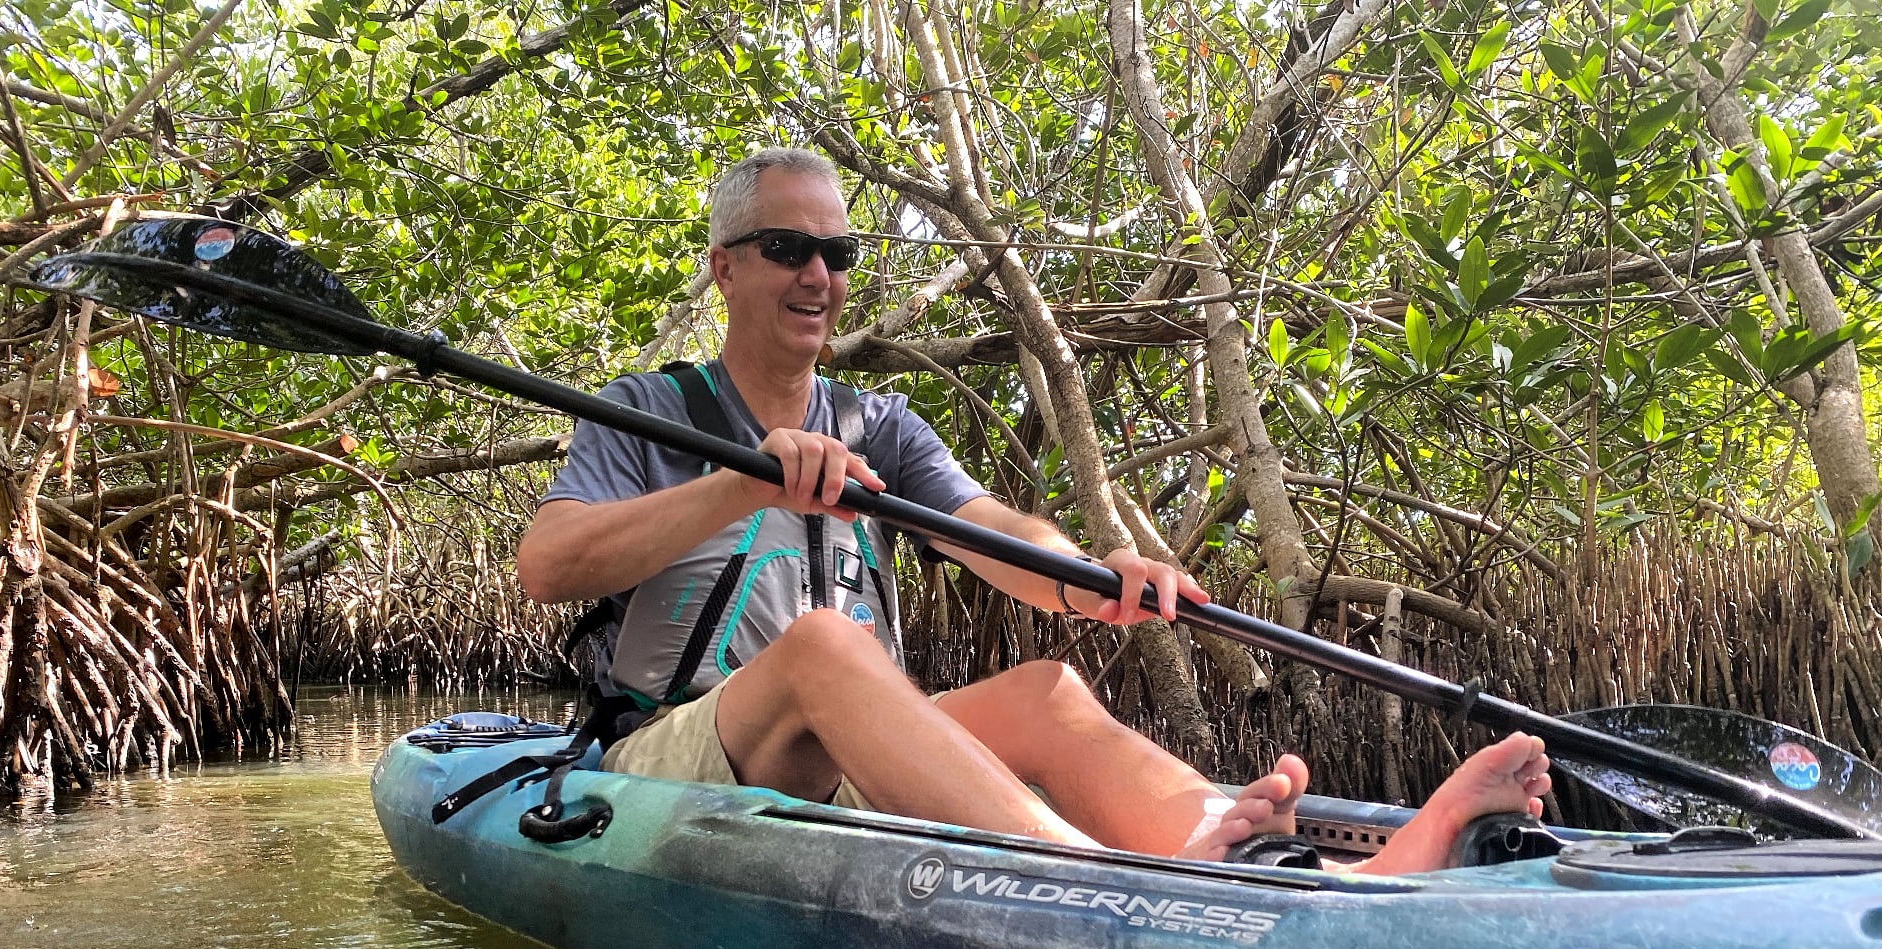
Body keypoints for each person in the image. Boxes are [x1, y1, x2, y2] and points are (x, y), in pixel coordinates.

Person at [518, 148, 1549, 873]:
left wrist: (1091, 579)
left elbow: (996, 528)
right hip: (669, 761)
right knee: (828, 644)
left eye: (838, 253)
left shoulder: (877, 425)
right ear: (725, 267)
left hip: (840, 763)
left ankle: (1242, 855)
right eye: (788, 248)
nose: (819, 276)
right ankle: (1106, 883)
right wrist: (742, 482)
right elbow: (547, 565)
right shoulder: (647, 410)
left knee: (1049, 689)